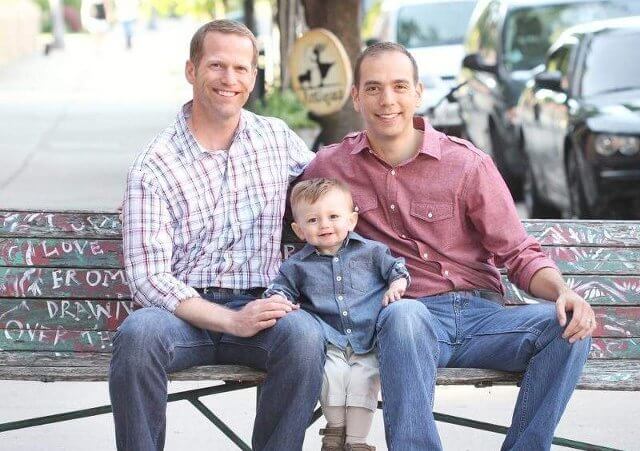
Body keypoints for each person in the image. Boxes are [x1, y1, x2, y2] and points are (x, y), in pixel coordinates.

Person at [302, 41, 596, 451]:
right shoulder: (331, 167)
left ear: (418, 92)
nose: (387, 100)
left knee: (570, 328)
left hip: (482, 317)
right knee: (402, 316)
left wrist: (564, 293)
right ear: (355, 96)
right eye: (373, 88)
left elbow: (518, 252)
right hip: (409, 321)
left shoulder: (466, 164)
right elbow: (294, 231)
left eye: (400, 86)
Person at [109, 20, 323, 451]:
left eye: (242, 69)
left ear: (254, 77)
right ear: (192, 70)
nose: (230, 79)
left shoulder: (276, 140)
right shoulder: (155, 165)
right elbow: (148, 277)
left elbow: (328, 191)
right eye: (217, 65)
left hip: (262, 303)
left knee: (304, 338)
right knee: (137, 338)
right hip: (183, 316)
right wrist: (229, 320)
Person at [263, 178, 411, 451]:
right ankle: (335, 433)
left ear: (352, 220)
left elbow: (396, 269)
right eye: (313, 220)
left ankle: (356, 443)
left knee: (363, 381)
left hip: (367, 339)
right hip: (328, 339)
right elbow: (279, 289)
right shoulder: (296, 265)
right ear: (299, 230)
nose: (325, 225)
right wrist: (279, 301)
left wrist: (397, 285)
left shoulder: (372, 252)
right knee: (330, 377)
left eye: (333, 216)